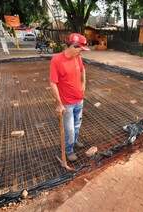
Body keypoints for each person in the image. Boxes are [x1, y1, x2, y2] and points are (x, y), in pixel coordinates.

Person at [50, 33, 90, 161]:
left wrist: (83, 83)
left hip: (79, 99)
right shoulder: (57, 60)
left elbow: (82, 70)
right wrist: (59, 103)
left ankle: (74, 141)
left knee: (77, 124)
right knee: (70, 130)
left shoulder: (77, 57)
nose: (81, 52)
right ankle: (69, 150)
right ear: (73, 46)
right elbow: (53, 83)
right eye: (80, 49)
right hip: (67, 103)